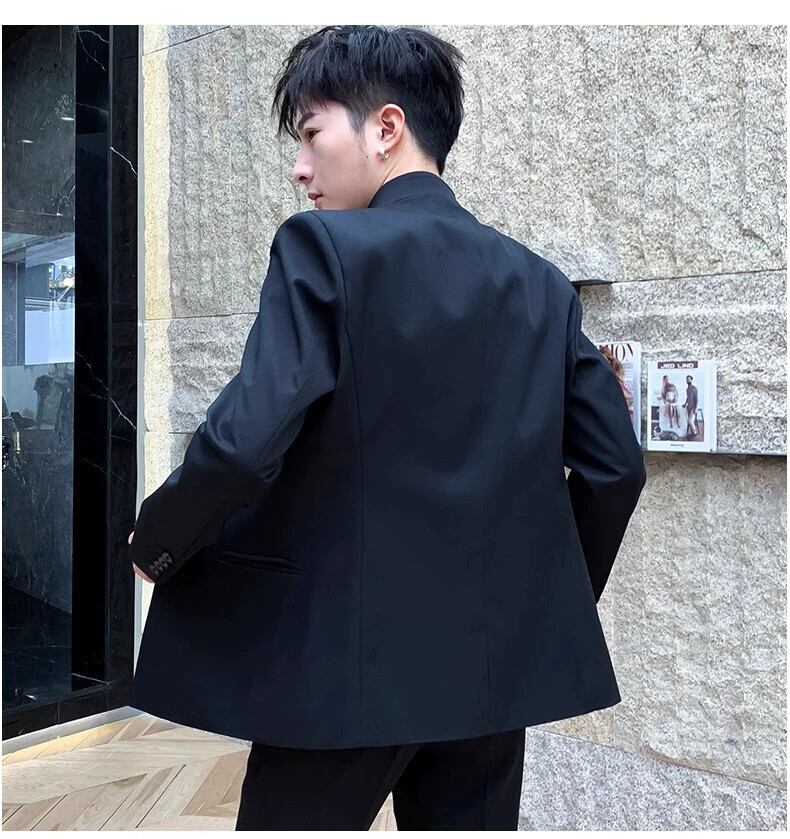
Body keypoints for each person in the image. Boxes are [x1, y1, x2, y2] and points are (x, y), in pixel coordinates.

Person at [127, 25, 647, 830]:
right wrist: (529, 607)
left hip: (342, 675)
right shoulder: (540, 284)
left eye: (310, 134)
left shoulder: (323, 249)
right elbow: (616, 467)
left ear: (386, 128)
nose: (300, 167)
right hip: (487, 673)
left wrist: (159, 540)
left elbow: (242, 443)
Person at [682, 373, 699, 438]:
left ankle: (694, 432)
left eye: (689, 379)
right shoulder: (687, 389)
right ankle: (691, 433)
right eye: (687, 379)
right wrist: (685, 404)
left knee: (690, 420)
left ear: (691, 380)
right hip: (688, 406)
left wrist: (695, 408)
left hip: (693, 407)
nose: (688, 380)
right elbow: (688, 398)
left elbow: (696, 399)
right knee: (688, 420)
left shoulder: (694, 388)